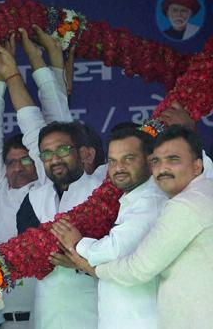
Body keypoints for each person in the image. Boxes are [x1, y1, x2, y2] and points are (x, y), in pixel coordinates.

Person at [0, 27, 73, 328]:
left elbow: (52, 128)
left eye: (26, 159)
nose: (17, 167)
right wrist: (0, 77)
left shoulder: (49, 186)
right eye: (10, 162)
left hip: (53, 316)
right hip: (7, 322)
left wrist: (36, 63)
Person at [65, 126, 213, 329]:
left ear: (197, 166)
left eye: (173, 159)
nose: (163, 168)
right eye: (157, 161)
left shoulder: (181, 204)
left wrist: (81, 250)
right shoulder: (196, 195)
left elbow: (137, 267)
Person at [50, 128, 167, 328]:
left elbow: (114, 249)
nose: (118, 167)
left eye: (128, 159)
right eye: (112, 161)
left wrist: (77, 243)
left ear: (151, 161)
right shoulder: (131, 199)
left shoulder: (151, 201)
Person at [16, 121, 101, 329]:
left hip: (94, 309)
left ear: (82, 153)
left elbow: (121, 256)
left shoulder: (102, 194)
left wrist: (79, 262)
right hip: (47, 312)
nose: (54, 159)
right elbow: (25, 254)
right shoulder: (33, 199)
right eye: (46, 154)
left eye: (62, 150)